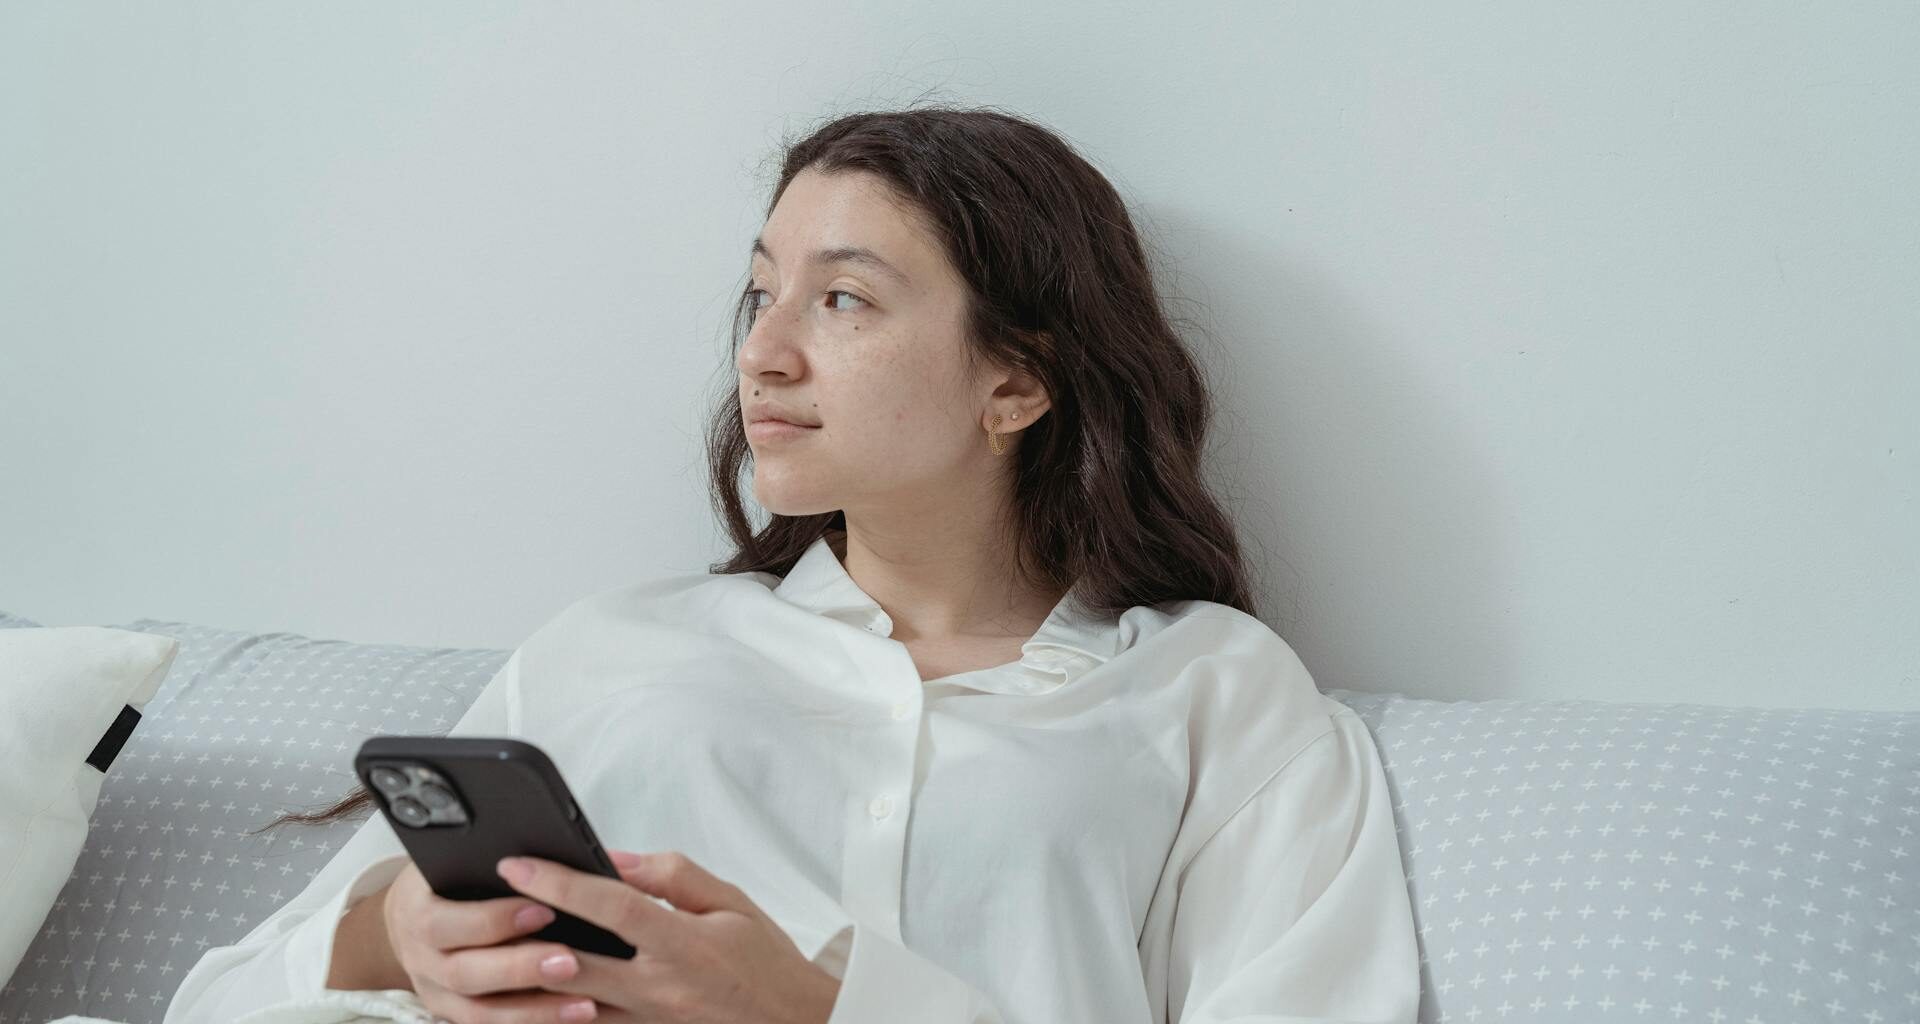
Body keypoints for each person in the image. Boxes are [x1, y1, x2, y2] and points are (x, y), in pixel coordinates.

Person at [162, 105, 1419, 1024]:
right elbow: (214, 1001)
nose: (763, 353)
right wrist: (394, 939)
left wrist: (814, 1011)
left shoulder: (1213, 691)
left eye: (844, 301)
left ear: (1018, 380)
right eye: (759, 297)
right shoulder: (617, 648)